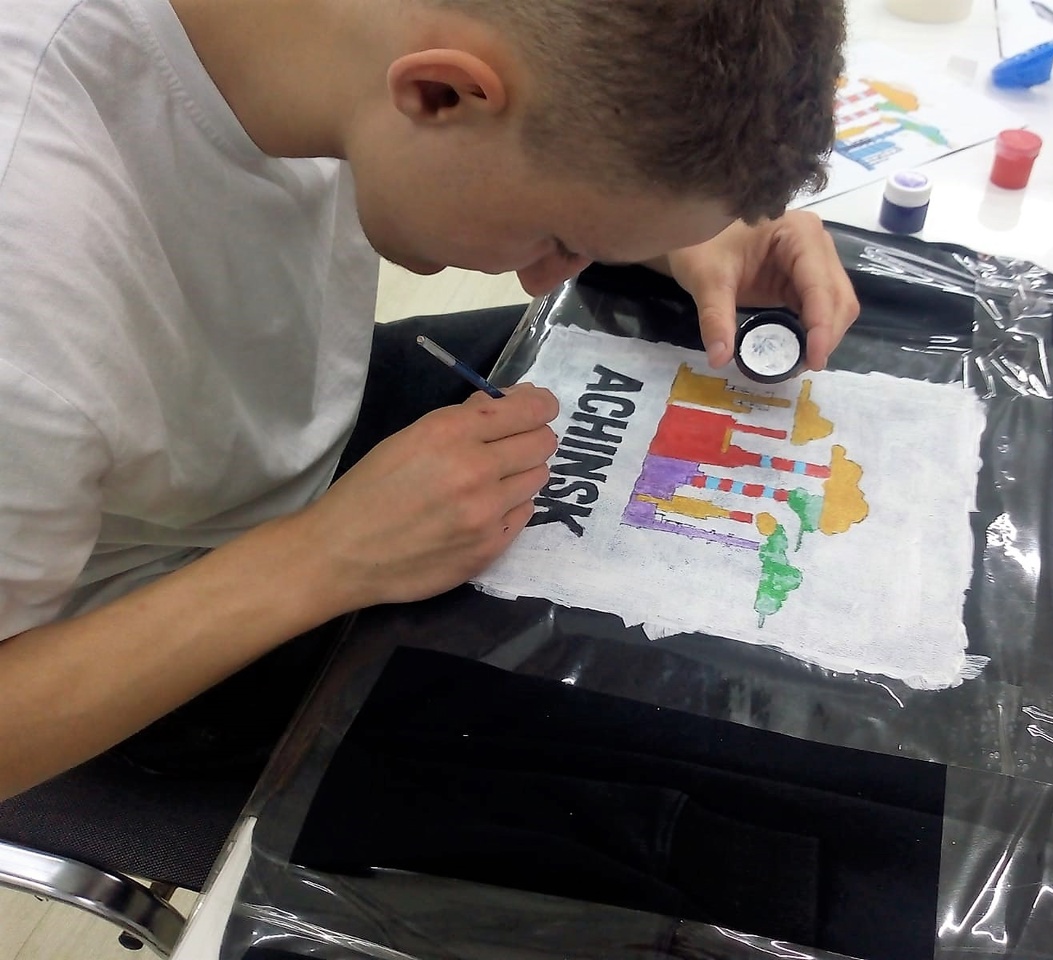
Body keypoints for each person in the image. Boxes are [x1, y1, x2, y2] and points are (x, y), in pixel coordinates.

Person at [0, 0, 859, 800]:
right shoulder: (31, 267)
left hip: (286, 433)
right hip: (157, 633)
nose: (547, 275)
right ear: (440, 92)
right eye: (561, 238)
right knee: (689, 760)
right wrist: (327, 557)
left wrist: (668, 218)